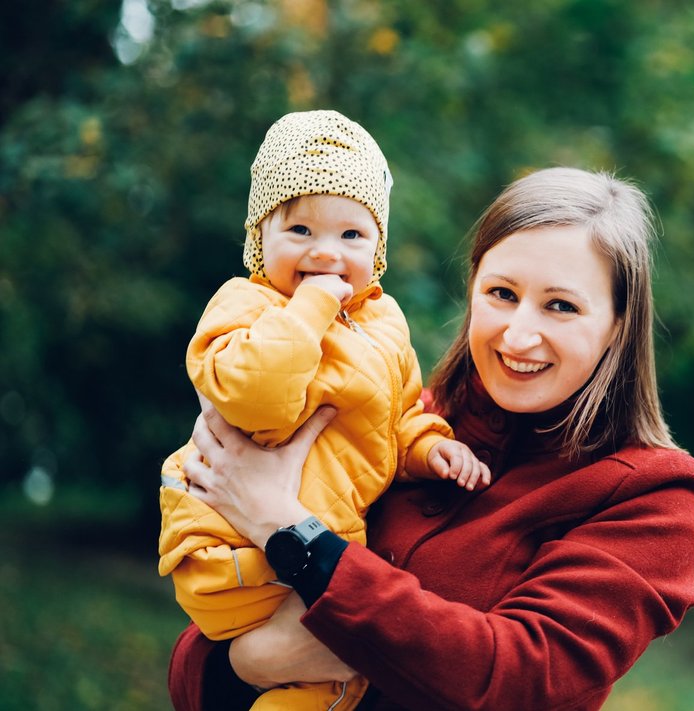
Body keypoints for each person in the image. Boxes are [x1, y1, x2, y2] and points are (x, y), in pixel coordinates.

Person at [168, 166, 694, 710]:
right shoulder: (409, 424)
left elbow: (518, 677)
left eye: (561, 305)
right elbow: (197, 660)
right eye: (502, 293)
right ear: (473, 287)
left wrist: (284, 526)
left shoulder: (657, 497)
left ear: (620, 323)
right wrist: (253, 661)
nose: (520, 334)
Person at [158, 110, 488, 711]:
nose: (326, 254)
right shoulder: (247, 305)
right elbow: (255, 396)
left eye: (351, 236)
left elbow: (398, 413)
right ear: (261, 240)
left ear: (378, 250)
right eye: (301, 231)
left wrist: (429, 448)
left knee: (326, 687)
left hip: (308, 549)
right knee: (339, 659)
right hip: (229, 549)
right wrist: (307, 311)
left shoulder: (384, 324)